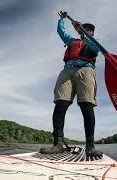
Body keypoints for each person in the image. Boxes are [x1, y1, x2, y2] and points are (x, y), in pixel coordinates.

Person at [39, 11, 102, 157]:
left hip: (85, 70)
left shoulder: (93, 43)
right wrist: (62, 19)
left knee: (86, 105)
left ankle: (90, 147)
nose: (88, 31)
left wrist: (83, 32)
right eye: (86, 29)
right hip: (67, 71)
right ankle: (58, 144)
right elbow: (61, 32)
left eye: (90, 30)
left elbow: (95, 47)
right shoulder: (71, 41)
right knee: (61, 103)